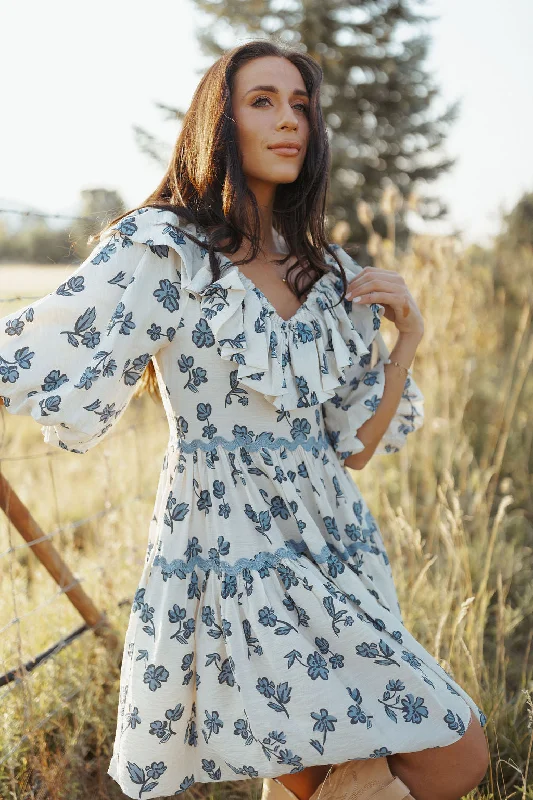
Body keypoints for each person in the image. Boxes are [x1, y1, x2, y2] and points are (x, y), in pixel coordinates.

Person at [0, 39, 489, 800]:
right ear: (217, 122)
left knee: (390, 760)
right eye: (262, 100)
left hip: (332, 545)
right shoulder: (164, 250)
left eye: (300, 105)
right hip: (228, 550)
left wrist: (409, 340)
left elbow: (352, 449)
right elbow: (39, 347)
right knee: (446, 755)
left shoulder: (328, 272)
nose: (289, 120)